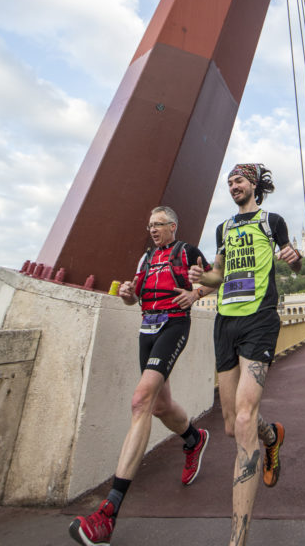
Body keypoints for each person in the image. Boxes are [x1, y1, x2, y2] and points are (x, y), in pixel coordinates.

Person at [69, 206, 212, 546]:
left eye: (158, 224)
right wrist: (129, 296)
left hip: (173, 323)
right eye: (149, 225)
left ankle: (107, 514)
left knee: (140, 401)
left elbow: (212, 280)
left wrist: (195, 293)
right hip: (146, 327)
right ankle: (194, 439)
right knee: (161, 406)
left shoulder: (188, 252)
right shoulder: (145, 258)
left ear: (173, 226)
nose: (152, 229)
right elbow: (135, 299)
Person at [189, 163, 302, 546]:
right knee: (228, 422)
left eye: (238, 180)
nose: (233, 186)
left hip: (260, 319)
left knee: (242, 417)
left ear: (253, 185)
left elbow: (295, 259)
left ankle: (237, 540)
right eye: (229, 182)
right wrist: (199, 280)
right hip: (225, 322)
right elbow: (217, 275)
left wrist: (294, 256)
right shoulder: (223, 228)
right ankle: (271, 437)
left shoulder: (272, 221)